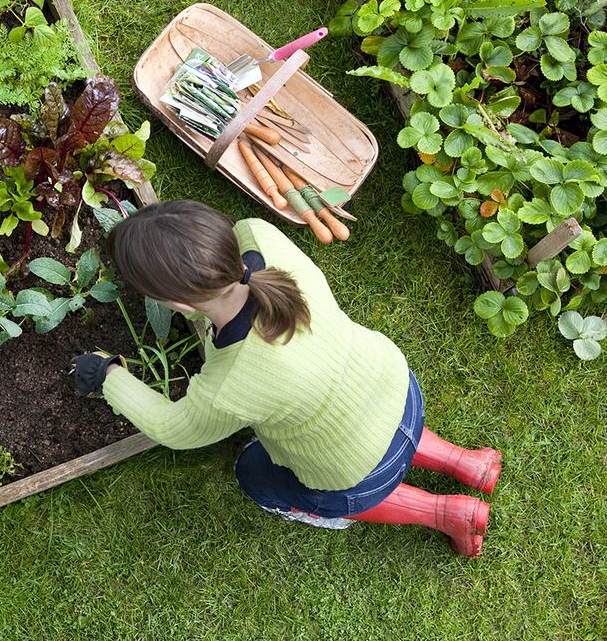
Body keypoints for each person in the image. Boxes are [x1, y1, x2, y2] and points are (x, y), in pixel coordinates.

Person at [69, 200, 502, 555]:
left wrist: (107, 375)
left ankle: (445, 513)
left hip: (356, 470)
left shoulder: (230, 384)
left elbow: (173, 428)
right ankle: (466, 463)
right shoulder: (260, 236)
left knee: (254, 474)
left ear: (178, 304)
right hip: (397, 388)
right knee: (366, 423)